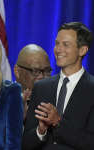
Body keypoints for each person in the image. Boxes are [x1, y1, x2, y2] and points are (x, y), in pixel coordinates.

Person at [22, 22, 94, 150]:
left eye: (65, 44)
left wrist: (57, 122)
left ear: (82, 50)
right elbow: (26, 143)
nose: (58, 49)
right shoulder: (41, 87)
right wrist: (41, 131)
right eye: (57, 43)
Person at [14, 44, 51, 120]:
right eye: (35, 71)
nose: (42, 77)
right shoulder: (2, 101)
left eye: (47, 71)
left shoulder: (53, 102)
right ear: (17, 71)